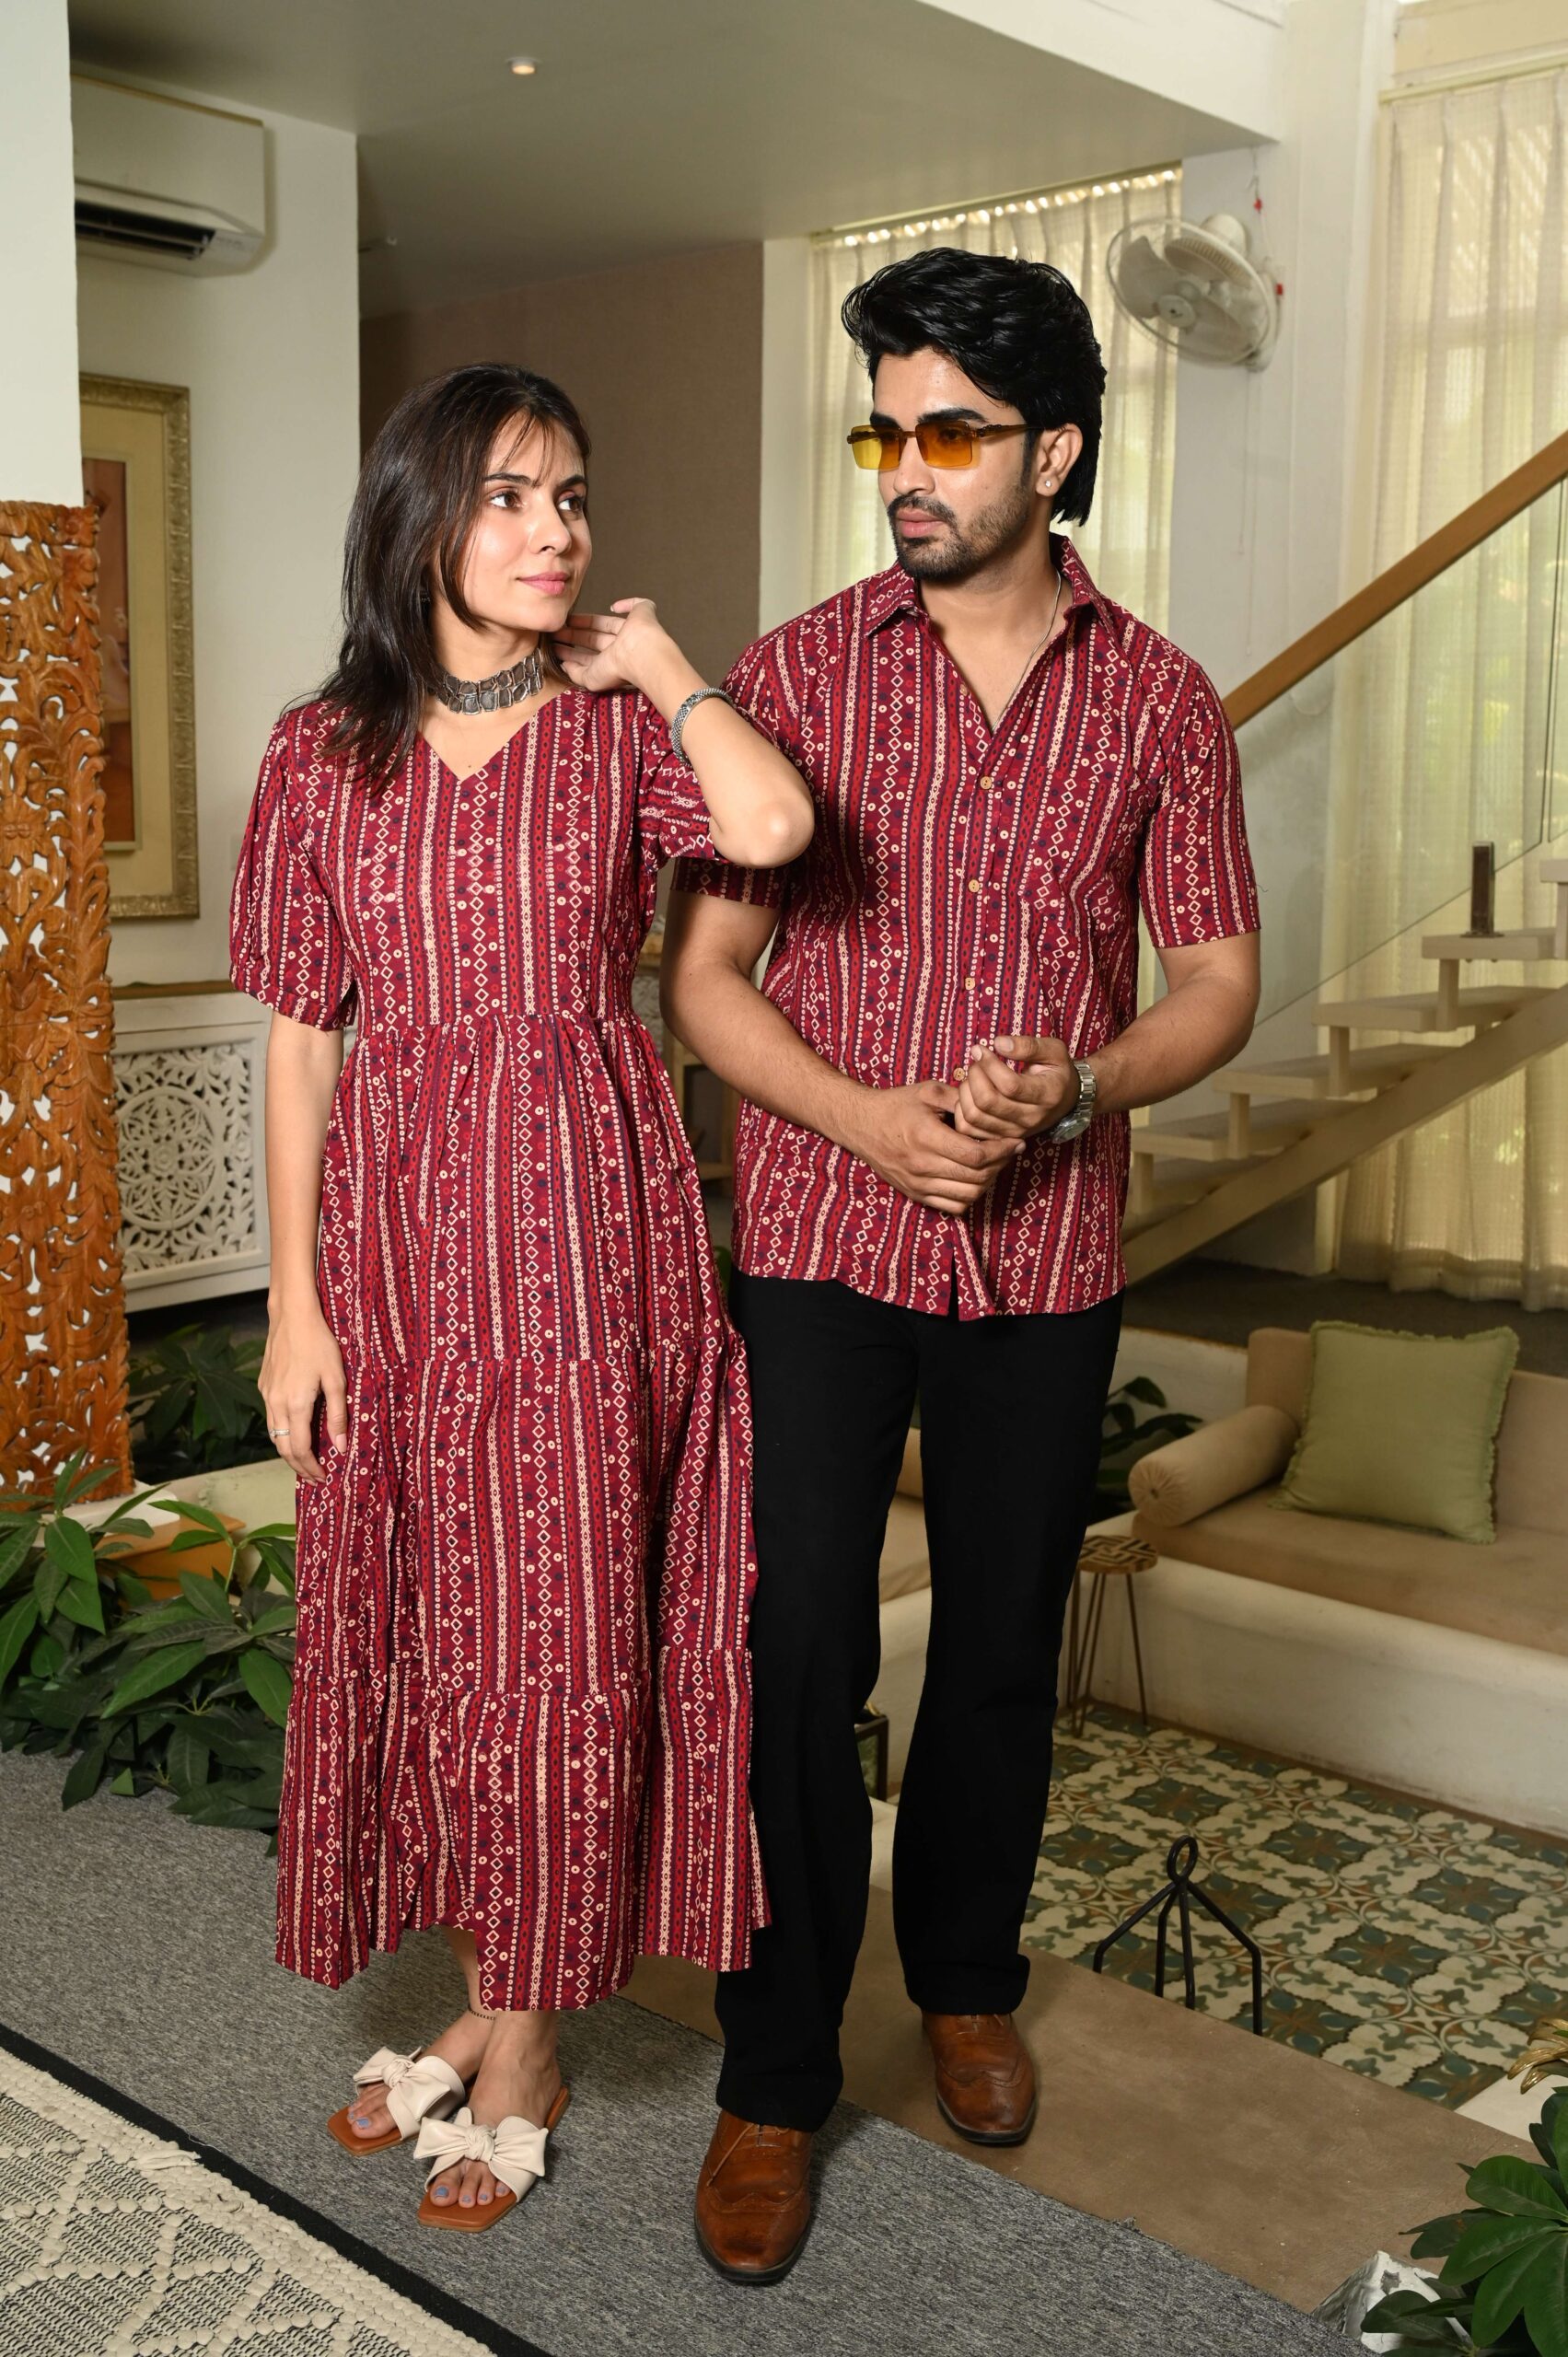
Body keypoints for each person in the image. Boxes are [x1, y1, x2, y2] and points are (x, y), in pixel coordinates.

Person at [661, 248, 1260, 2283]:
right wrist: (866, 1118)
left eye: (950, 434)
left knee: (1003, 1641)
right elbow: (708, 979)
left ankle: (969, 1982)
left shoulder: (1161, 697)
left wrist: (1083, 1082)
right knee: (798, 1651)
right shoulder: (799, 673)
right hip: (823, 1245)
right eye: (885, 434)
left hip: (1052, 1252)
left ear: (1055, 450)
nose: (907, 471)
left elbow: (1219, 977)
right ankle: (771, 2076)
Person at [228, 361, 811, 2232]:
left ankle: (531, 2042)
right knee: (438, 1617)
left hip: (583, 1235)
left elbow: (773, 829)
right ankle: (489, 2001)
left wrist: (670, 667)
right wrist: (294, 1306)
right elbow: (299, 1042)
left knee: (561, 1624)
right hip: (396, 1253)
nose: (555, 529)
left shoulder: (619, 727)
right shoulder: (319, 753)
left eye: (570, 494)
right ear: (421, 520)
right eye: (509, 495)